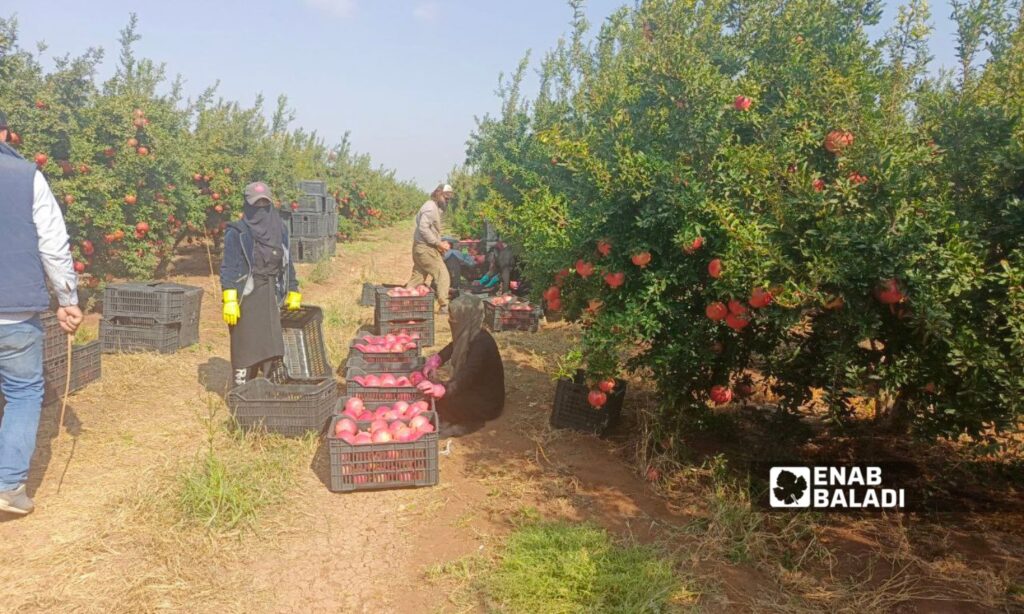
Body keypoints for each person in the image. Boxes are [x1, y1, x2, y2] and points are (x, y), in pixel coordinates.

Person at [0, 110, 83, 516]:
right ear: (5, 133)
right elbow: (53, 243)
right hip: (12, 312)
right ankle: (8, 486)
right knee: (22, 393)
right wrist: (67, 298)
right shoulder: (25, 175)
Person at [220, 181, 302, 387]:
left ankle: (267, 390)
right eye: (256, 206)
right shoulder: (236, 233)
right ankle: (242, 390)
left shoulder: (280, 230)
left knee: (270, 345)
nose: (260, 210)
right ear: (247, 205)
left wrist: (293, 288)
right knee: (245, 344)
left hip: (271, 293)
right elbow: (229, 267)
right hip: (246, 295)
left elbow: (287, 261)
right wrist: (229, 298)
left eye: (265, 205)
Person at [417, 294, 505, 437]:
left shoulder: (481, 344)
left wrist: (442, 389)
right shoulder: (471, 333)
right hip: (474, 389)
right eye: (451, 317)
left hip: (488, 402)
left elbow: (467, 375)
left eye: (455, 318)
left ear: (467, 318)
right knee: (438, 402)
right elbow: (454, 345)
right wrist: (437, 359)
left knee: (444, 403)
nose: (452, 321)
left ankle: (467, 425)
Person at [407, 184, 453, 314]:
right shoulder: (430, 208)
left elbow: (429, 228)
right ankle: (444, 306)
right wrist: (438, 243)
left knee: (418, 277)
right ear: (438, 194)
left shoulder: (433, 207)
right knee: (442, 274)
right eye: (446, 197)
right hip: (425, 249)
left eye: (449, 198)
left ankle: (401, 301)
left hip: (421, 248)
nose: (448, 200)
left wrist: (438, 241)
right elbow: (423, 228)